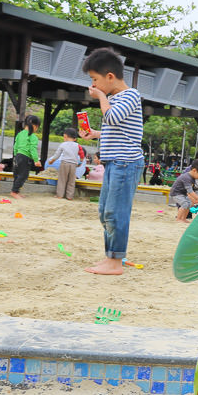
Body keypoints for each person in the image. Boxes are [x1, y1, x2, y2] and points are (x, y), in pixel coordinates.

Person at [78, 46, 146, 276]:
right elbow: (116, 129)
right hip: (114, 162)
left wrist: (101, 97)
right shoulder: (116, 99)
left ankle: (116, 260)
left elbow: (112, 117)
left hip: (126, 162)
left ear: (109, 76)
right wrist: (95, 133)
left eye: (95, 80)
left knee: (116, 212)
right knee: (105, 212)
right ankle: (111, 257)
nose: (93, 85)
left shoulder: (131, 95)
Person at [10, 115, 42, 199]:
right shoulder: (33, 137)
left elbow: (15, 146)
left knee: (17, 174)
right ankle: (14, 192)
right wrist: (36, 160)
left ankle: (16, 191)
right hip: (25, 157)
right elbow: (32, 149)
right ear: (35, 126)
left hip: (18, 156)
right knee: (24, 175)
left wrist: (15, 155)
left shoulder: (20, 134)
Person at [53, 128, 81, 200]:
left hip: (64, 163)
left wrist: (52, 160)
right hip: (73, 165)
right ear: (75, 138)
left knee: (62, 179)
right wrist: (80, 162)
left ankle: (60, 195)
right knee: (71, 181)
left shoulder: (63, 144)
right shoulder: (78, 145)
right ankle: (69, 196)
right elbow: (82, 154)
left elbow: (57, 154)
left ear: (65, 136)